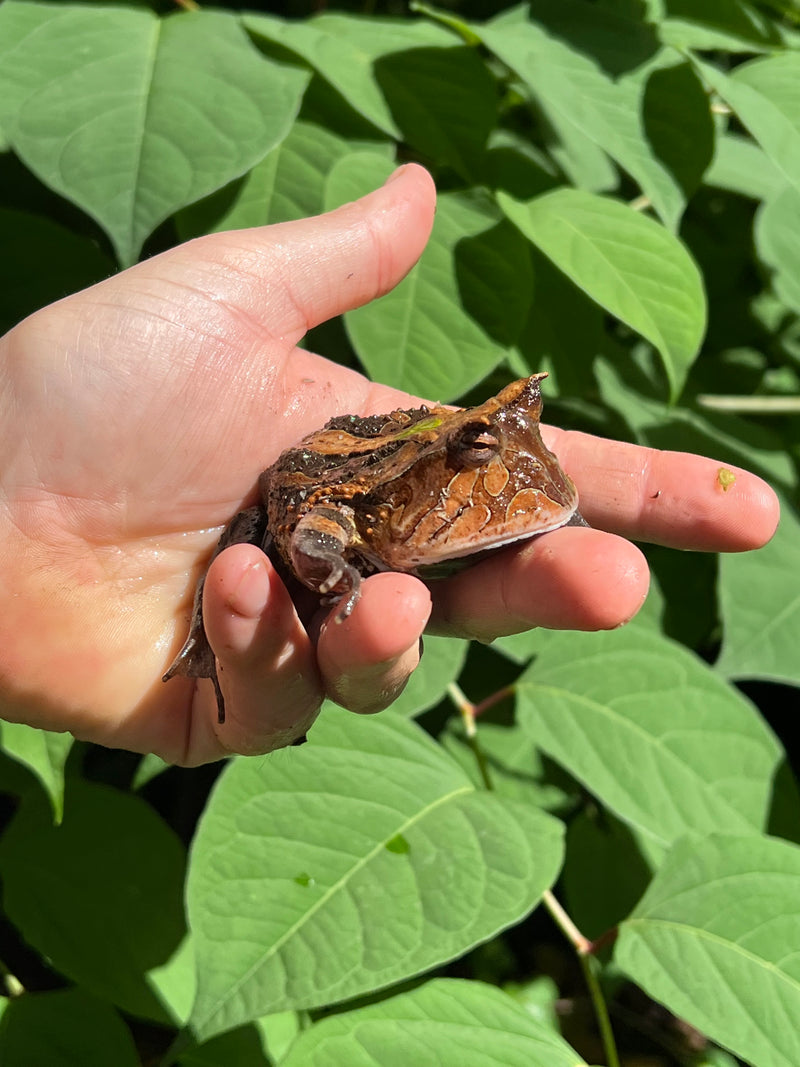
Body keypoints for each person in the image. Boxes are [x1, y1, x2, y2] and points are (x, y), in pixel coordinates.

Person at [0, 165, 779, 766]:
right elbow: (309, 537)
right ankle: (207, 634)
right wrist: (339, 582)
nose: (509, 459)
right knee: (243, 565)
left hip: (388, 469)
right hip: (314, 490)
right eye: (482, 452)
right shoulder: (362, 505)